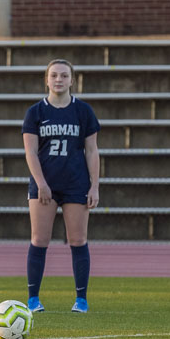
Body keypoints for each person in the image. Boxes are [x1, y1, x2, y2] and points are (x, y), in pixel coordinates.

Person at [22, 59, 100, 314]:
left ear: (71, 80)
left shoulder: (83, 111)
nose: (59, 80)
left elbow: (91, 151)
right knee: (39, 239)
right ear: (46, 79)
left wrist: (95, 186)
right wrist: (42, 183)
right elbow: (31, 152)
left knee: (78, 240)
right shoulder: (36, 112)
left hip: (76, 183)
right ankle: (33, 299)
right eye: (54, 75)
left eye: (64, 76)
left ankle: (81, 299)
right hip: (45, 184)